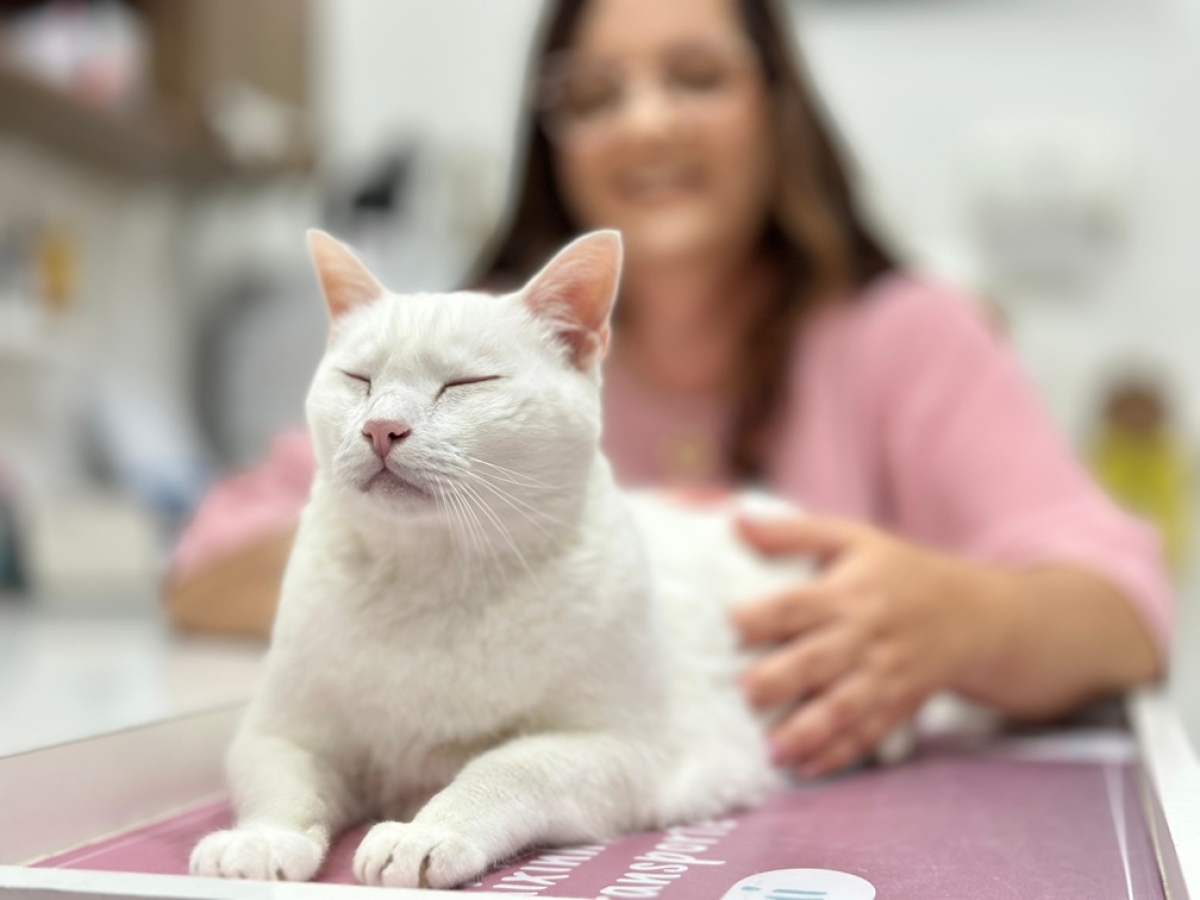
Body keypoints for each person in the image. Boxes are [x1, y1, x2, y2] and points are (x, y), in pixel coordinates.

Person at [166, 0, 1169, 779]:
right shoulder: (461, 344)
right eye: (594, 95)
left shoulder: (907, 335)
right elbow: (206, 566)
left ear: (778, 107)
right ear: (551, 139)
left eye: (696, 77)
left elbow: (1124, 609)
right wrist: (432, 544)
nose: (645, 124)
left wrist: (966, 621)